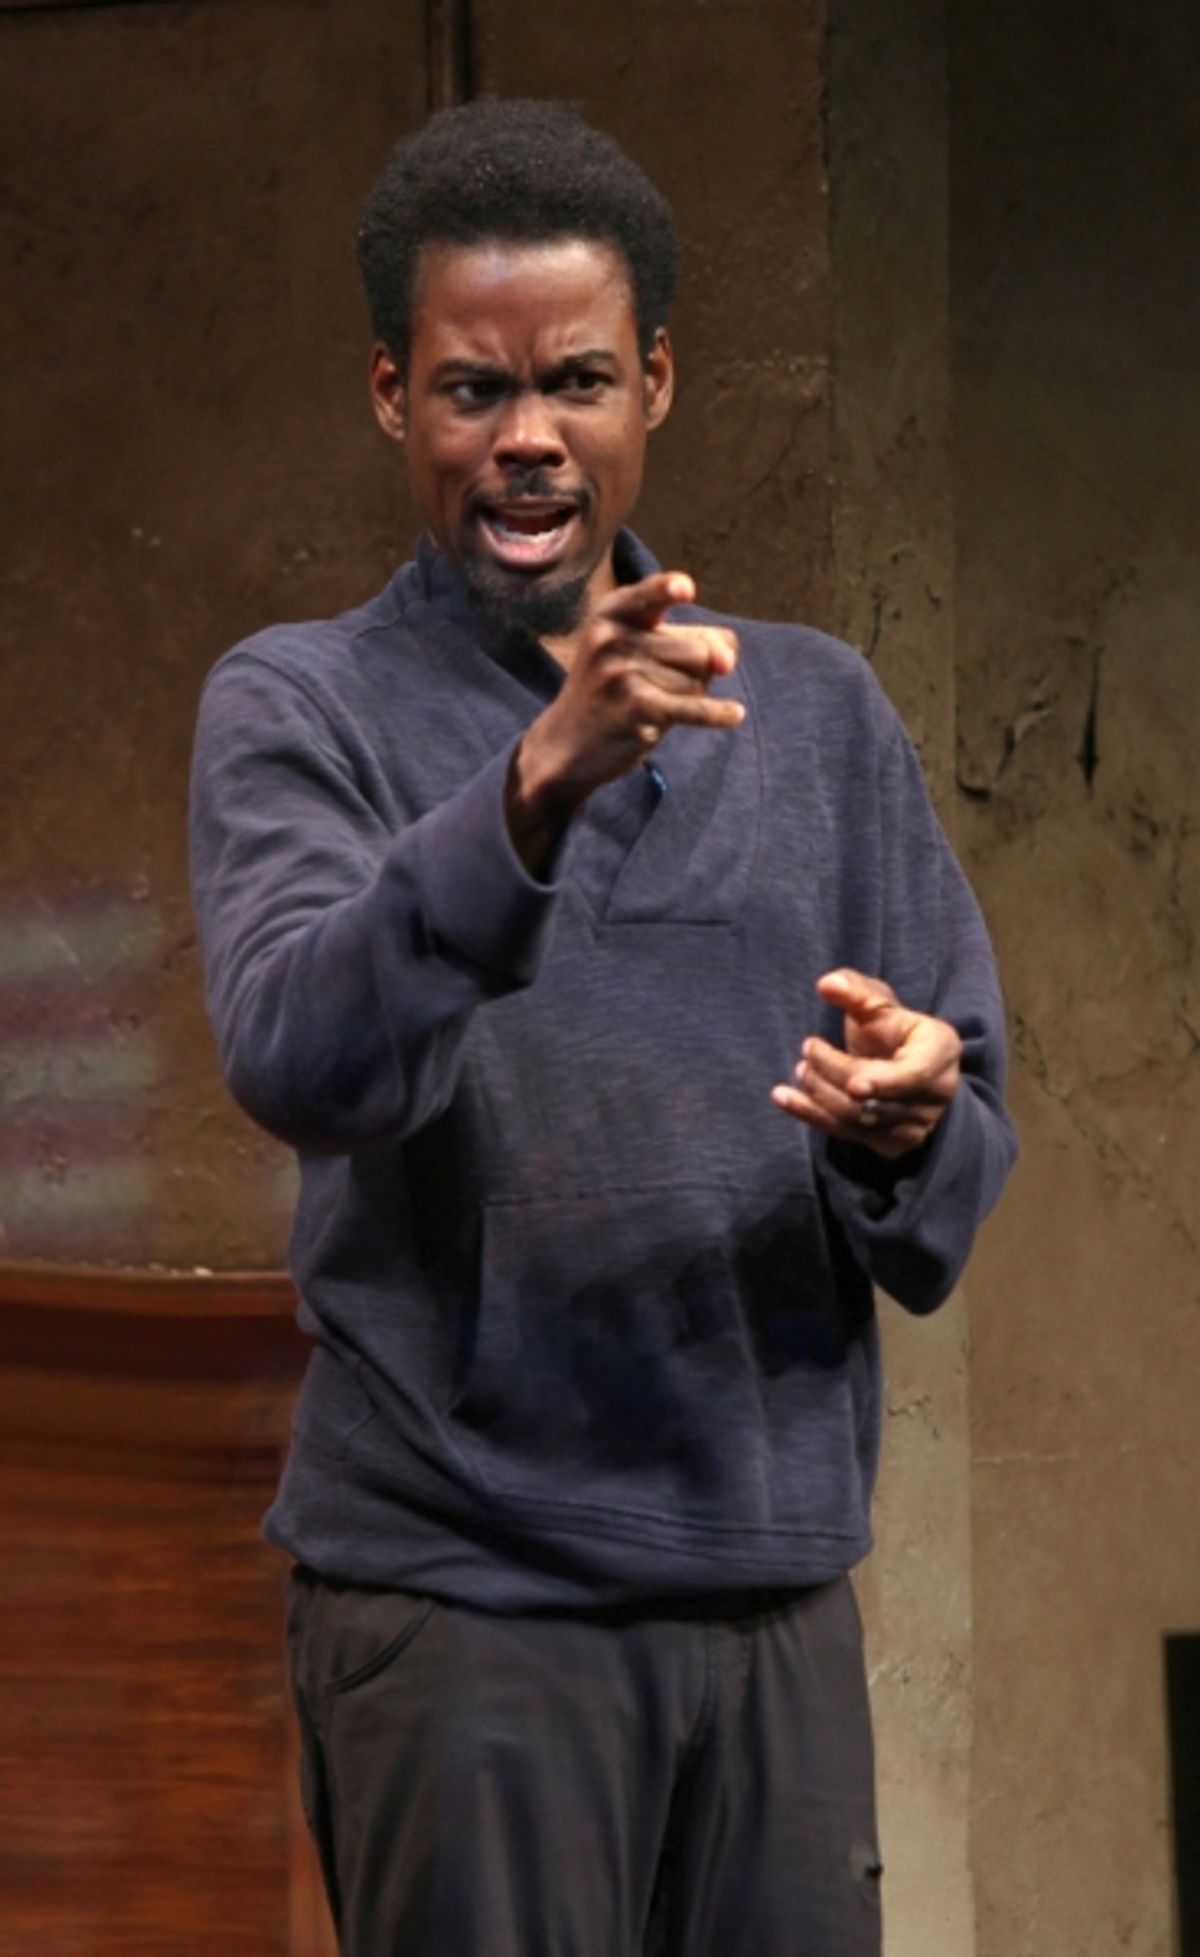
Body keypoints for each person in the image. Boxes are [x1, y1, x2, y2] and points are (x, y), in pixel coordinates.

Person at [190, 97, 1016, 1957]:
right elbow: (299, 1055)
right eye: (472, 390)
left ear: (654, 381)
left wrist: (911, 1121)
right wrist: (531, 792)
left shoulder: (817, 709)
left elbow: (966, 1126)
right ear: (392, 396)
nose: (528, 438)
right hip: (469, 1607)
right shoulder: (299, 705)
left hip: (771, 1591)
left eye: (574, 379)